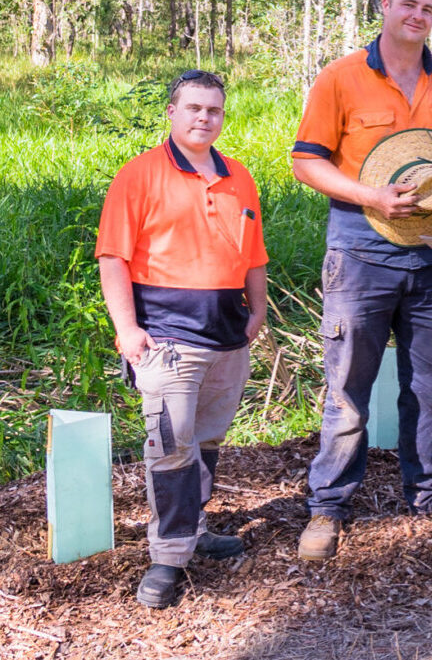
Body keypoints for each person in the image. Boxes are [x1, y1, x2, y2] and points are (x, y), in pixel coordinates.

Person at [291, 0, 432, 560]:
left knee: (431, 386)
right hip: (361, 250)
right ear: (385, 6)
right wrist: (373, 195)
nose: (417, 16)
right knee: (347, 386)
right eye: (408, 4)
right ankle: (327, 506)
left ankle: (427, 494)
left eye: (427, 9)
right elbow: (306, 160)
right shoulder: (341, 77)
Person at [96, 70, 268, 608]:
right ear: (172, 112)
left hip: (227, 337)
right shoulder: (139, 175)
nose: (204, 118)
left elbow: (254, 254)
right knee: (171, 448)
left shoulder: (238, 176)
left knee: (205, 440)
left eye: (214, 110)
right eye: (193, 108)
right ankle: (168, 557)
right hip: (168, 340)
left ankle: (193, 529)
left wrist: (258, 311)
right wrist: (127, 330)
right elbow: (112, 257)